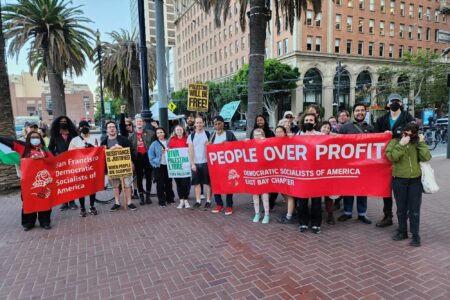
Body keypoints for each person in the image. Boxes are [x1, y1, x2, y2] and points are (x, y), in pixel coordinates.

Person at [386, 123, 431, 247]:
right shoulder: (394, 142)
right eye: (406, 132)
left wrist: (421, 143)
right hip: (399, 180)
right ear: (401, 132)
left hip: (415, 180)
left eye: (412, 132)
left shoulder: (416, 142)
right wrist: (401, 145)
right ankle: (402, 231)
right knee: (401, 209)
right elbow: (392, 157)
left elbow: (426, 157)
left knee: (414, 210)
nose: (409, 134)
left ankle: (415, 235)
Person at [375, 93, 415, 228]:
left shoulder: (408, 118)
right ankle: (387, 216)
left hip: (402, 158)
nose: (394, 103)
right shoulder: (381, 120)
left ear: (401, 103)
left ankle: (403, 219)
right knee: (386, 189)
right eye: (392, 101)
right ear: (387, 104)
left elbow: (413, 132)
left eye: (397, 101)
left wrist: (397, 135)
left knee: (401, 191)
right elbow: (374, 138)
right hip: (385, 159)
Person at [0, 132, 53, 230]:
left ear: (40, 139)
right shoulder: (22, 147)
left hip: (43, 183)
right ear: (28, 139)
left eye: (37, 137)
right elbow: (8, 142)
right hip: (27, 183)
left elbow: (52, 161)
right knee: (28, 202)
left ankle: (45, 222)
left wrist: (43, 158)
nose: (35, 139)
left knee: (44, 201)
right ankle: (28, 223)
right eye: (32, 137)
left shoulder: (44, 150)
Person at [338, 103, 374, 224]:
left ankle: (362, 214)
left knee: (362, 189)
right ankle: (347, 212)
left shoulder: (371, 128)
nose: (360, 113)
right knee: (348, 189)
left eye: (362, 110)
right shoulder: (345, 128)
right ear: (353, 113)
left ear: (365, 112)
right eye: (357, 110)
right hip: (349, 165)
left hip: (365, 165)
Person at [101, 121, 137, 212]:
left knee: (127, 184)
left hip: (125, 166)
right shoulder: (104, 142)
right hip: (112, 168)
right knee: (115, 185)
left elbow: (131, 151)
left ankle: (129, 202)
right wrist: (109, 150)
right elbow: (101, 156)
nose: (112, 128)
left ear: (116, 128)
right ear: (107, 129)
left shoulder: (124, 139)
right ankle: (117, 202)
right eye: (109, 127)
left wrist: (131, 162)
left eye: (113, 127)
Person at [297, 113, 323, 233]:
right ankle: (303, 223)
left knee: (316, 201)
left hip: (317, 173)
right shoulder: (297, 136)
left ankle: (316, 224)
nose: (308, 121)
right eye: (306, 119)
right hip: (302, 173)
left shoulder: (321, 136)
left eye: (311, 120)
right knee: (302, 200)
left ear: (315, 122)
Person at [69, 121, 99, 217]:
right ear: (79, 128)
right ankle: (82, 208)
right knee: (81, 188)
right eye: (82, 126)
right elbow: (69, 153)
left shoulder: (94, 138)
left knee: (92, 188)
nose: (84, 127)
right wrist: (81, 149)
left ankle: (92, 206)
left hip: (91, 167)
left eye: (86, 126)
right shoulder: (74, 140)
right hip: (80, 169)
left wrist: (92, 148)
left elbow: (98, 151)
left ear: (89, 127)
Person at [49, 115, 79, 211]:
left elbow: (79, 145)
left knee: (71, 182)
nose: (63, 122)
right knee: (62, 183)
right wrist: (56, 154)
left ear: (68, 123)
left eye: (65, 121)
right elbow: (50, 149)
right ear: (58, 123)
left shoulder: (73, 134)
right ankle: (64, 202)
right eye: (61, 121)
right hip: (60, 163)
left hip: (72, 162)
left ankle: (72, 202)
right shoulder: (55, 135)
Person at [210, 115, 237, 215]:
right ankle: (219, 204)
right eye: (215, 124)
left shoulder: (229, 134)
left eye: (219, 123)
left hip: (227, 165)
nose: (217, 126)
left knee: (229, 184)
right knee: (216, 184)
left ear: (223, 124)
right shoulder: (212, 135)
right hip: (215, 165)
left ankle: (229, 206)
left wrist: (228, 144)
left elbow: (237, 146)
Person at [129, 115, 154, 205]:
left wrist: (156, 127)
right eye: (137, 121)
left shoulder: (151, 133)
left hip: (147, 156)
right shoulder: (131, 136)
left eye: (140, 121)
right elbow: (130, 150)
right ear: (135, 124)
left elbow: (157, 140)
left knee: (148, 177)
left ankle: (148, 195)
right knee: (139, 177)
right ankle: (141, 196)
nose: (139, 123)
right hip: (137, 157)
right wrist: (132, 161)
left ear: (143, 123)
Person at [187, 116, 212, 209]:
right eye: (197, 123)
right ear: (194, 124)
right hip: (196, 163)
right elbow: (190, 150)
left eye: (200, 122)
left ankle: (208, 200)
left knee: (208, 183)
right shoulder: (191, 136)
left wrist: (209, 146)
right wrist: (192, 163)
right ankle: (198, 201)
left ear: (203, 123)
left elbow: (213, 148)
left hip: (206, 162)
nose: (198, 124)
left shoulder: (208, 134)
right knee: (196, 183)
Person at [274, 126, 296, 225]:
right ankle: (291, 211)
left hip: (289, 171)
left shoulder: (290, 141)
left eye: (280, 132)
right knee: (283, 193)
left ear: (284, 133)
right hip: (279, 172)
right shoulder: (272, 142)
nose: (278, 134)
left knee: (289, 194)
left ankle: (289, 216)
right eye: (277, 132)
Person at [148, 127, 175, 207]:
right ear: (156, 135)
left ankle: (170, 199)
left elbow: (174, 152)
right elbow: (151, 157)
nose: (160, 134)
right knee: (160, 184)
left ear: (164, 133)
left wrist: (170, 151)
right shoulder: (154, 144)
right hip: (159, 166)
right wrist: (155, 165)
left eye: (161, 132)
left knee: (169, 183)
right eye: (158, 133)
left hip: (168, 166)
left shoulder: (168, 142)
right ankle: (161, 201)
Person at [168, 125, 191, 209]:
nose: (179, 131)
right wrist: (167, 151)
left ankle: (186, 200)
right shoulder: (172, 140)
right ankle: (181, 200)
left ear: (183, 130)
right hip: (176, 167)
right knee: (178, 184)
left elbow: (190, 149)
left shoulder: (187, 139)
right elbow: (169, 150)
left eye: (180, 129)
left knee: (185, 184)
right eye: (177, 130)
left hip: (185, 166)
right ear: (175, 131)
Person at [251, 128, 270, 224]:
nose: (257, 137)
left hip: (264, 172)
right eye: (255, 135)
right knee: (255, 194)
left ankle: (266, 214)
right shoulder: (250, 144)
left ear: (263, 135)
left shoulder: (267, 143)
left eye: (259, 134)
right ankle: (257, 213)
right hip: (254, 172)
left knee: (265, 194)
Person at [320, 121, 336, 225]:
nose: (326, 129)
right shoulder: (312, 137)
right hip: (316, 170)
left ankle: (330, 214)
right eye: (324, 127)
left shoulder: (334, 137)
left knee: (329, 194)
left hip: (329, 170)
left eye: (328, 128)